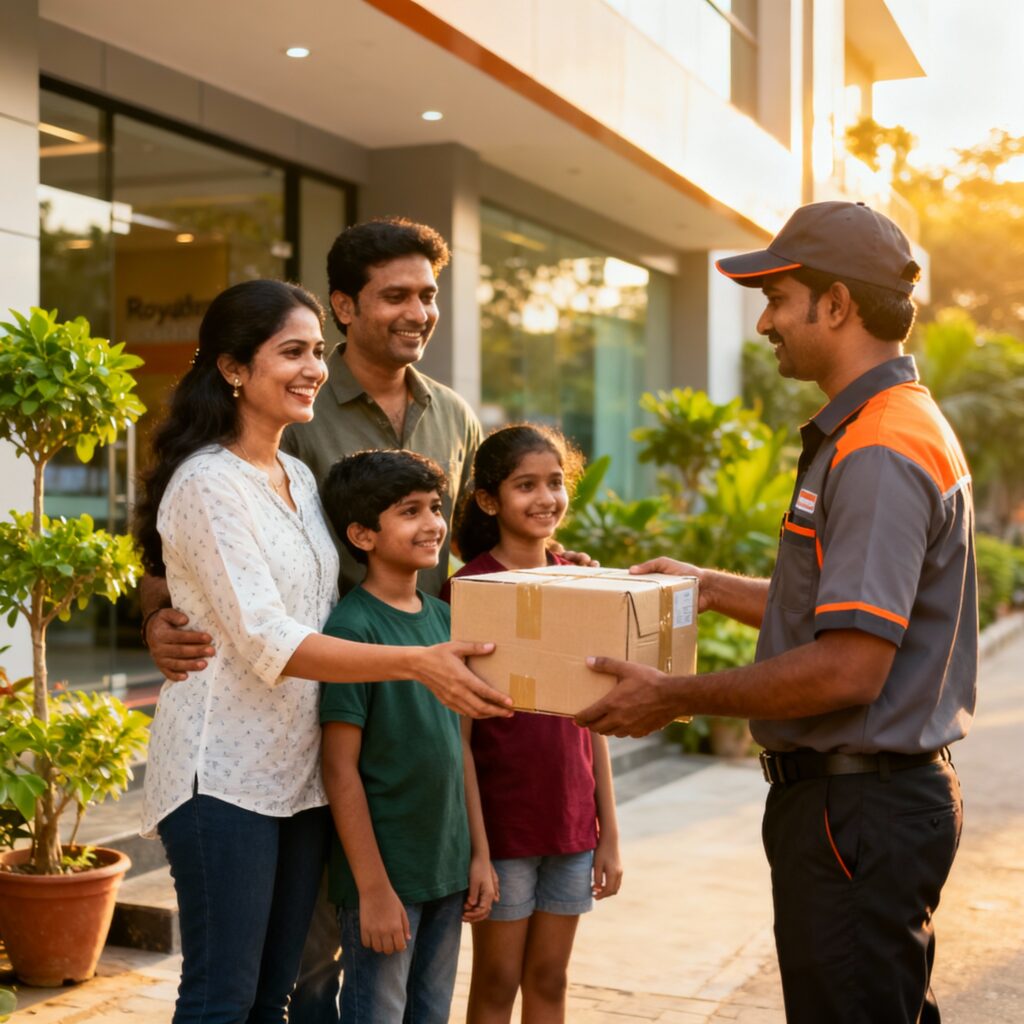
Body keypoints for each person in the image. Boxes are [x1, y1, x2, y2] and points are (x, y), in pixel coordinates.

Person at [577, 201, 975, 1024]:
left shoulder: (877, 450)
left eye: (778, 299)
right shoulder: (888, 426)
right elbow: (854, 617)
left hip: (855, 809)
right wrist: (714, 587)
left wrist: (674, 695)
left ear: (836, 304)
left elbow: (850, 666)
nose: (764, 323)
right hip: (866, 807)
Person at [133, 280, 510, 1024]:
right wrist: (415, 662)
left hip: (299, 777)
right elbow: (267, 635)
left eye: (316, 352)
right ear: (235, 369)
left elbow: (376, 572)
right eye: (293, 352)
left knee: (276, 992)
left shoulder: (300, 478)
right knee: (222, 999)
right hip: (223, 778)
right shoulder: (208, 482)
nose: (314, 368)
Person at [442, 424, 623, 1024]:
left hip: (571, 825)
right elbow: (459, 739)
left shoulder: (579, 578)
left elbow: (594, 717)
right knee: (495, 982)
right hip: (502, 827)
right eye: (526, 485)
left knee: (550, 977)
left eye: (554, 482)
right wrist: (478, 849)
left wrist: (609, 834)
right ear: (490, 500)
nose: (545, 498)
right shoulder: (467, 591)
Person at [318, 449, 497, 1023]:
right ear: (362, 535)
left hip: (447, 870)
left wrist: (479, 854)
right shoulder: (352, 629)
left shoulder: (447, 620)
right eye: (410, 511)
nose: (432, 525)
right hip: (386, 881)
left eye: (436, 508)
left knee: (431, 1014)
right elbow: (339, 768)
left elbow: (460, 747)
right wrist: (371, 890)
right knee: (379, 1014)